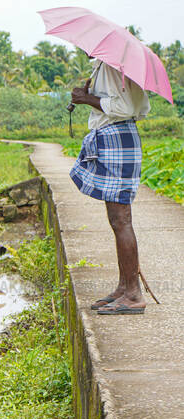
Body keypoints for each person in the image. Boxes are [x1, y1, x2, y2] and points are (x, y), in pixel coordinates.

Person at [70, 58, 149, 315]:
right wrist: (89, 95)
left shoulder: (116, 66)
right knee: (117, 219)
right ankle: (124, 287)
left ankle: (134, 294)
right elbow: (118, 102)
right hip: (113, 137)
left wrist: (86, 100)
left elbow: (124, 106)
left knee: (121, 219)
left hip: (117, 137)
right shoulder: (108, 66)